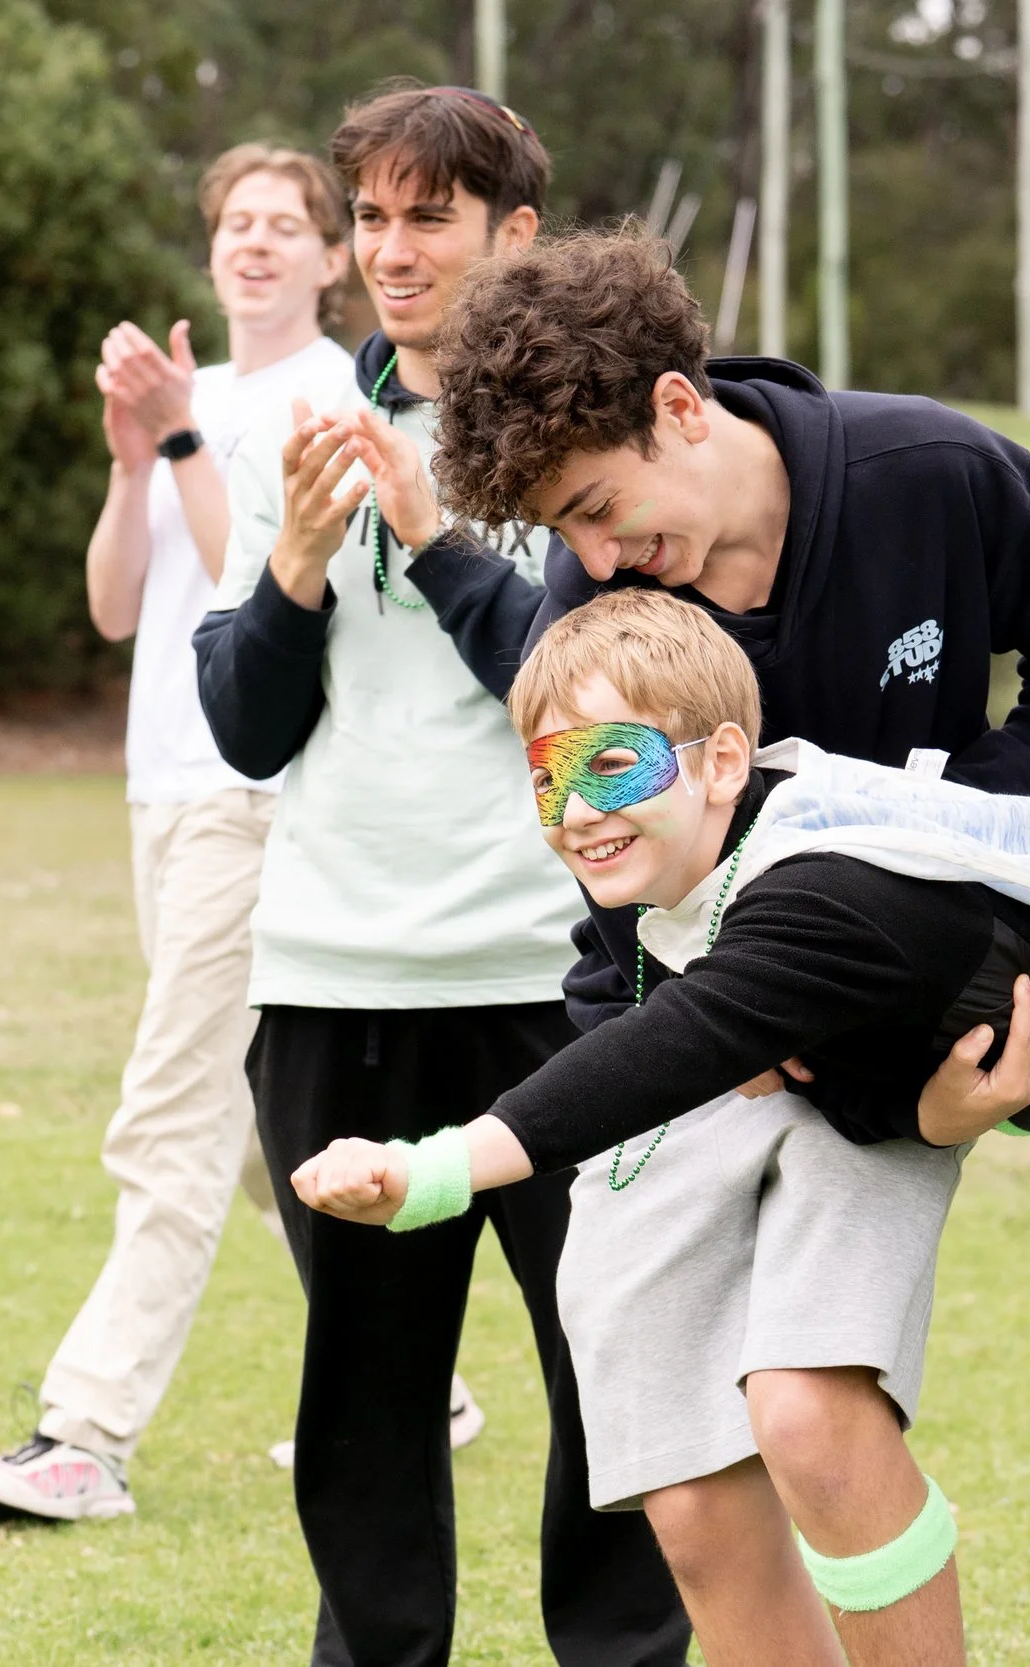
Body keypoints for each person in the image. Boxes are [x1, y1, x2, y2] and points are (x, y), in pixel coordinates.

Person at [287, 588, 1030, 1667]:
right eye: (549, 777)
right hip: (832, 1101)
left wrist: (431, 1168)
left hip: (933, 1108)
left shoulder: (837, 883)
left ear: (724, 761)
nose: (578, 808)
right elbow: (785, 1046)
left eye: (613, 763)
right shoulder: (646, 876)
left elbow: (678, 1044)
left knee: (807, 1413)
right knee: (686, 1498)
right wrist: (911, 1101)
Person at [191, 84, 689, 1667]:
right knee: (366, 1411)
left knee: (611, 1367)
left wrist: (444, 533)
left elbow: (605, 698)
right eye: (378, 220)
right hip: (335, 981)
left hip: (560, 983)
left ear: (515, 234)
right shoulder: (293, 434)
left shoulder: (587, 447)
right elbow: (246, 731)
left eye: (433, 218)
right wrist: (290, 567)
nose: (394, 255)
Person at [403, 226, 1030, 1039]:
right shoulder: (587, 604)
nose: (592, 556)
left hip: (922, 983)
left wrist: (959, 824)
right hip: (698, 1012)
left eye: (595, 508)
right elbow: (613, 862)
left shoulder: (933, 469)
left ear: (678, 408)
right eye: (558, 529)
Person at [0, 143, 360, 1524]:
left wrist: (183, 434)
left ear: (332, 257)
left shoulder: (325, 394)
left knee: (172, 1111)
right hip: (159, 787)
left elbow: (262, 577)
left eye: (284, 225)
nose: (253, 243)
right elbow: (120, 608)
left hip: (257, 792)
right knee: (251, 1124)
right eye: (234, 223)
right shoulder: (201, 397)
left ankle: (86, 1432)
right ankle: (409, 1382)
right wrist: (135, 461)